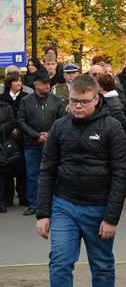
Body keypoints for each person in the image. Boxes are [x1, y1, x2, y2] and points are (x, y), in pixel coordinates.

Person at [35, 75, 126, 287]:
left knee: (101, 264)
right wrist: (44, 213)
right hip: (64, 205)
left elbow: (121, 174)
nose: (77, 106)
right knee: (60, 262)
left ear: (96, 99)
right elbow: (47, 170)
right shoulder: (59, 127)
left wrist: (111, 217)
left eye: (84, 102)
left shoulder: (112, 127)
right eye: (74, 101)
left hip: (99, 207)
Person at [18, 77, 66, 215]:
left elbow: (62, 119)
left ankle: (55, 203)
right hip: (32, 144)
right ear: (36, 85)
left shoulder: (56, 100)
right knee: (33, 175)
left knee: (54, 173)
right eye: (44, 83)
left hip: (53, 144)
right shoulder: (26, 101)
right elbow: (21, 121)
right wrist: (36, 135)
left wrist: (50, 134)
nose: (47, 86)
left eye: (48, 83)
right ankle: (34, 204)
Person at [1, 74, 29, 207]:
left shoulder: (26, 97)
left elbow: (26, 116)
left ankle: (23, 196)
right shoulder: (3, 98)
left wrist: (20, 129)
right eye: (16, 81)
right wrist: (9, 129)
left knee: (22, 168)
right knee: (7, 167)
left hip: (22, 137)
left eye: (20, 81)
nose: (19, 83)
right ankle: (8, 197)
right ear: (9, 83)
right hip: (7, 138)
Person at [0, 92, 16, 212]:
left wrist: (1, 128)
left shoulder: (6, 107)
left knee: (1, 176)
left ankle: (2, 202)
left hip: (2, 143)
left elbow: (12, 122)